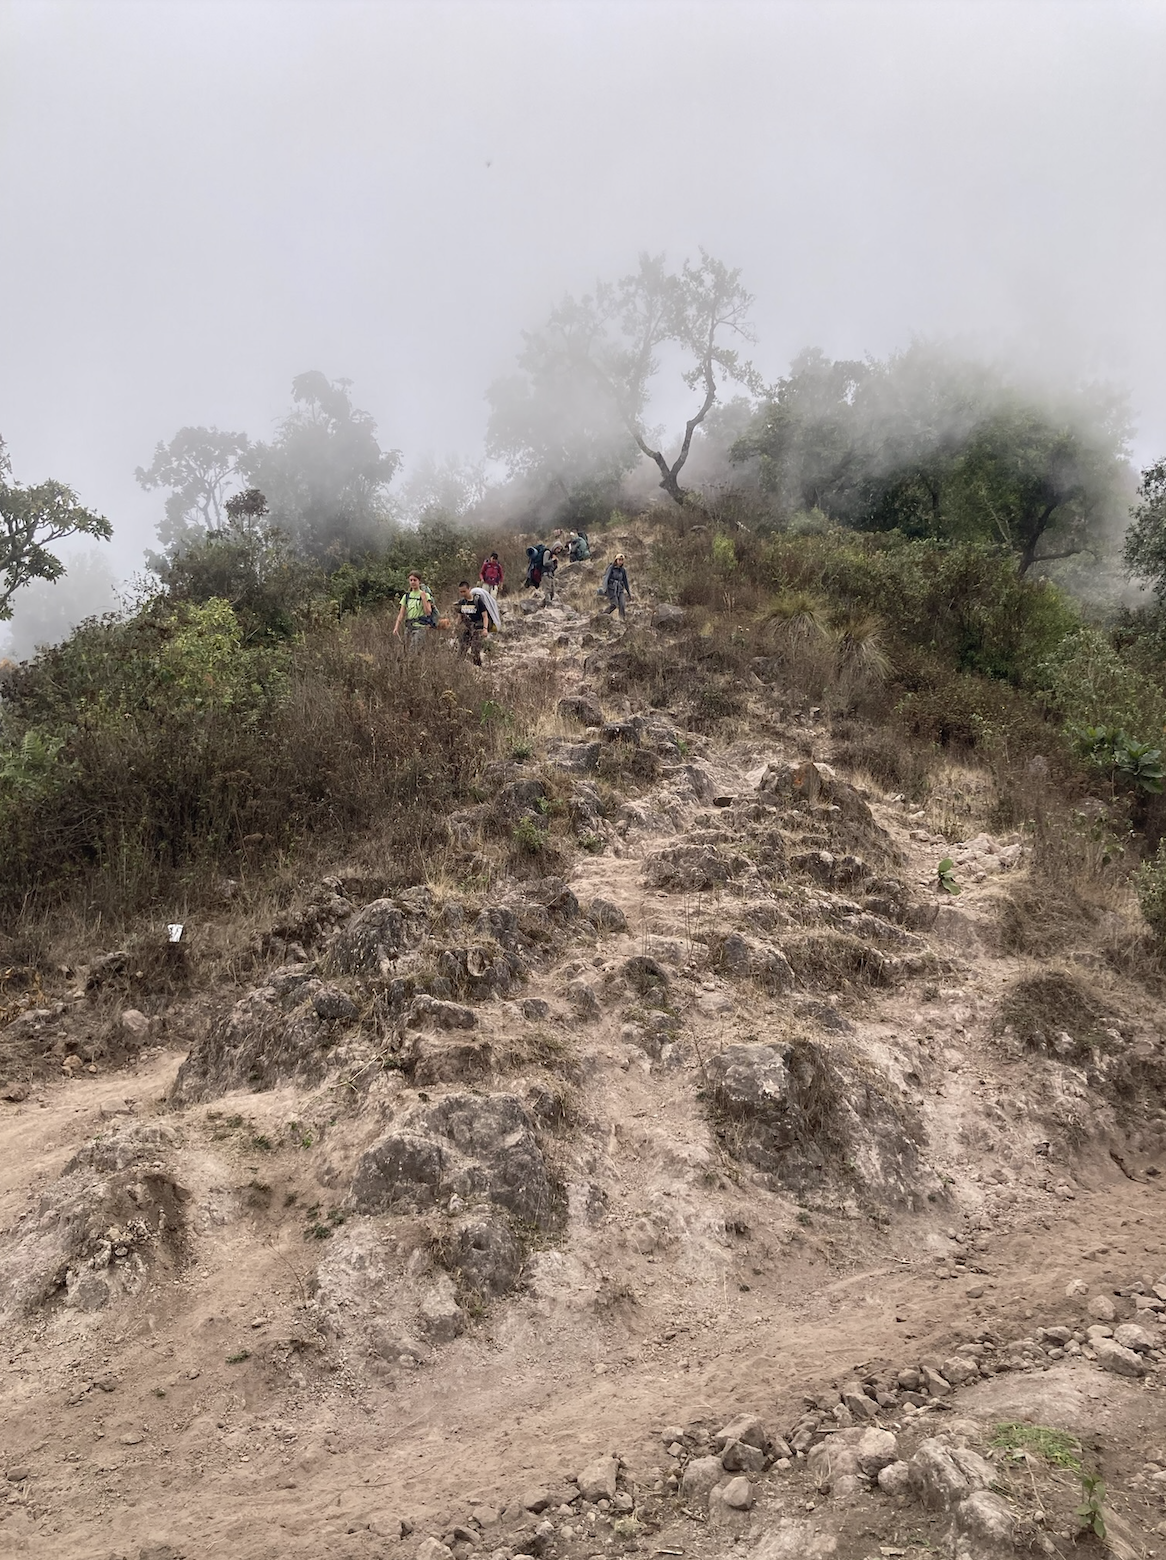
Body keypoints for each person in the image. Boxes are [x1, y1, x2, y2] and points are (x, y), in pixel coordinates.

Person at [393, 571, 436, 651]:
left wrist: (423, 599)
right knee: (405, 650)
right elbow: (401, 614)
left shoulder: (426, 595)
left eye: (415, 580)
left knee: (414, 650)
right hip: (409, 627)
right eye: (411, 580)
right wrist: (396, 627)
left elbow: (428, 612)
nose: (412, 582)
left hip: (420, 627)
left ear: (419, 581)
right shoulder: (406, 596)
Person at [454, 580, 488, 665]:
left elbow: (485, 616)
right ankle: (457, 668)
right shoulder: (462, 602)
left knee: (475, 650)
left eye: (464, 591)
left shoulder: (478, 601)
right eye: (461, 592)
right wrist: (456, 628)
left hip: (477, 628)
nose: (462, 593)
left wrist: (485, 629)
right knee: (462, 649)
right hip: (466, 629)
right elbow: (459, 617)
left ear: (469, 589)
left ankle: (478, 668)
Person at [600, 554, 632, 620]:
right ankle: (603, 615)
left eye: (622, 560)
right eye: (619, 560)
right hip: (611, 589)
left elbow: (626, 582)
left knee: (622, 605)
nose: (620, 561)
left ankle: (622, 619)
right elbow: (606, 578)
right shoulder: (611, 568)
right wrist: (605, 589)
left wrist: (629, 593)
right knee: (614, 604)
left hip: (620, 589)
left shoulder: (623, 570)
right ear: (616, 560)